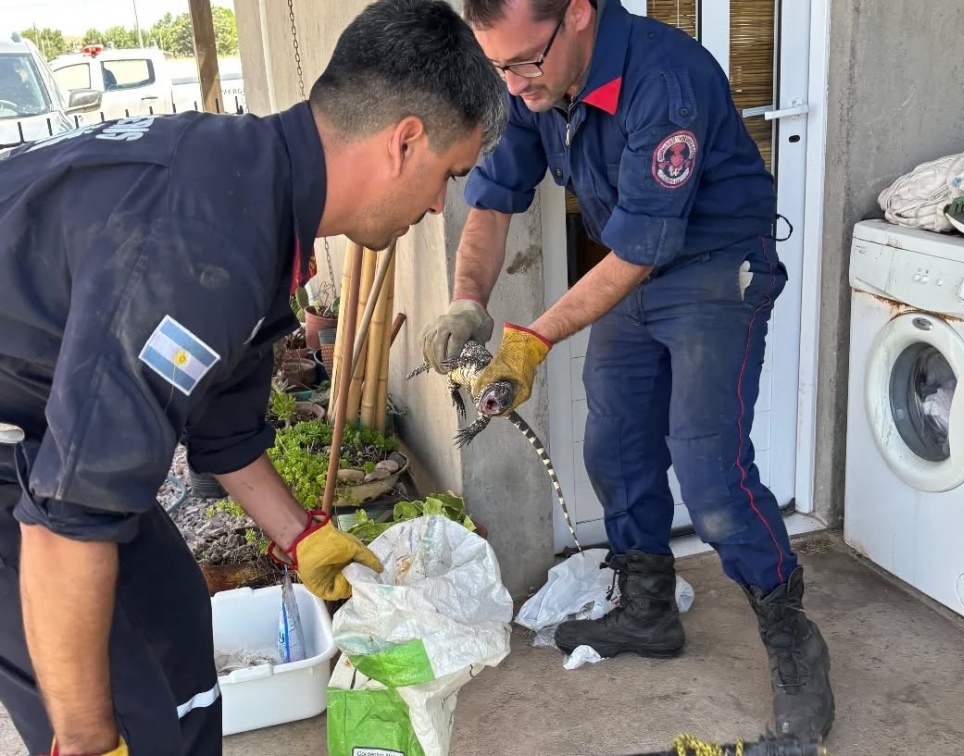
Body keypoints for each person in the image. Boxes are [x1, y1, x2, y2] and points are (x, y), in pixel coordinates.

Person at [0, 1, 507, 755]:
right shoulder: (201, 247)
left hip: (40, 429)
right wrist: (85, 742)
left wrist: (304, 538)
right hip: (19, 453)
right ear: (405, 141)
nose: (438, 204)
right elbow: (67, 521)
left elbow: (223, 435)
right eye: (447, 176)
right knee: (129, 712)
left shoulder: (255, 193)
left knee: (175, 632)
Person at [420, 0, 835, 742]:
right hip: (631, 268)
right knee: (611, 448)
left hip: (712, 268)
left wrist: (534, 340)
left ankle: (791, 632)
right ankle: (648, 608)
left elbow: (644, 249)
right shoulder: (534, 82)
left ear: (578, 13)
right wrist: (466, 303)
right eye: (498, 67)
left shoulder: (664, 80)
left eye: (523, 62)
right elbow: (490, 201)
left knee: (711, 476)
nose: (512, 85)